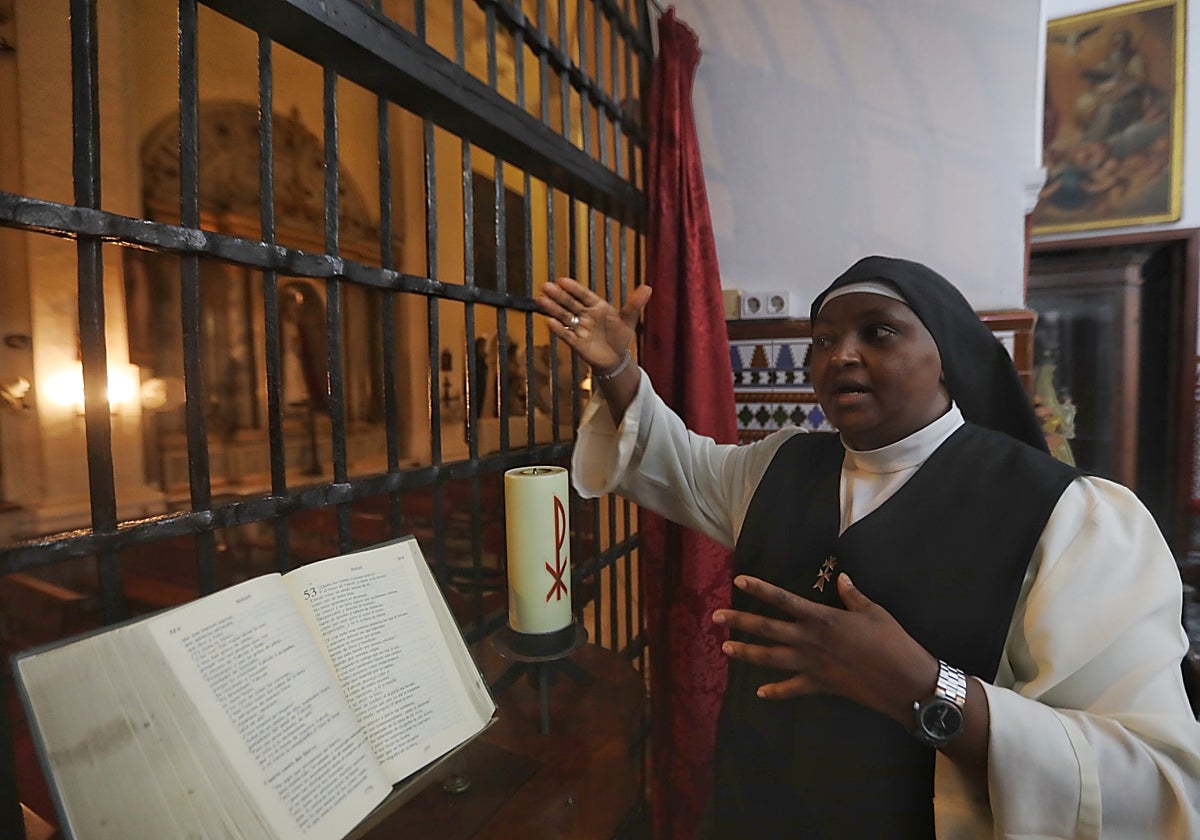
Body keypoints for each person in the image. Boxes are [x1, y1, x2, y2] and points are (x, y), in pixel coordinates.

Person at [537, 256, 1200, 838]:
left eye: (876, 332)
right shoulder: (779, 466)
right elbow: (670, 460)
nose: (839, 355)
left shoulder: (1070, 518)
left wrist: (922, 688)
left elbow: (1156, 782)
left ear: (946, 353)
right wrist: (622, 369)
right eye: (823, 340)